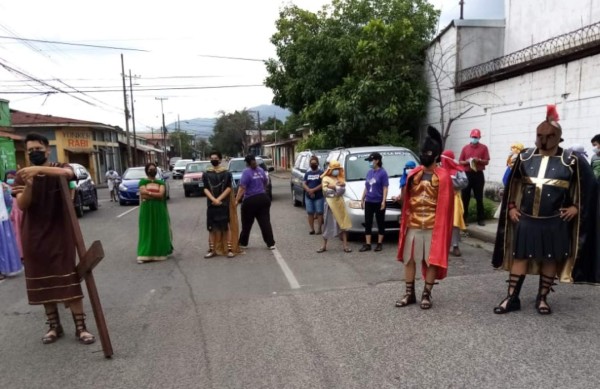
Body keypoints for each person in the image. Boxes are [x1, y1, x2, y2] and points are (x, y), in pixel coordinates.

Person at [492, 105, 598, 315]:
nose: (543, 140)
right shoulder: (524, 157)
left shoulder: (572, 160)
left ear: (558, 138)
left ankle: (543, 298)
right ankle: (512, 297)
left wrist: (577, 207)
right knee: (520, 257)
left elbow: (591, 187)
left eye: (548, 136)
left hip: (554, 221)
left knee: (550, 258)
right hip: (526, 219)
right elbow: (512, 184)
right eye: (540, 135)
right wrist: (511, 206)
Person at [12, 133, 95, 344]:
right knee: (42, 281)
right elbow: (22, 205)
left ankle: (81, 327)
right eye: (30, 151)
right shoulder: (22, 176)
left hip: (60, 232)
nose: (34, 154)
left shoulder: (58, 166)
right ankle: (54, 327)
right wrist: (30, 184)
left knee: (68, 278)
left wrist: (39, 169)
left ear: (47, 150)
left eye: (38, 150)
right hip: (34, 234)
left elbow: (67, 173)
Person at [395, 126, 454, 309]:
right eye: (422, 152)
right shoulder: (414, 175)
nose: (424, 155)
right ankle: (409, 293)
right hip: (413, 224)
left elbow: (447, 206)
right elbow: (406, 201)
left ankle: (426, 294)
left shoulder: (444, 177)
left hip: (432, 226)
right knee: (409, 259)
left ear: (436, 154)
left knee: (431, 260)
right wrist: (402, 192)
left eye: (428, 152)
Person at [203, 151, 241, 258]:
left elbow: (229, 188)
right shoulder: (206, 173)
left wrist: (218, 199)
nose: (213, 160)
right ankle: (212, 250)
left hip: (223, 204)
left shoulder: (226, 173)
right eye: (212, 158)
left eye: (215, 158)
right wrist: (213, 199)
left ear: (220, 159)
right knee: (211, 228)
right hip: (211, 204)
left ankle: (229, 250)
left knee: (225, 227)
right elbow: (205, 188)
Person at [235, 155, 276, 250]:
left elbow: (242, 188)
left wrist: (236, 200)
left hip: (250, 200)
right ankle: (270, 243)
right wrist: (261, 190)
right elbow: (266, 182)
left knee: (247, 223)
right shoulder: (261, 170)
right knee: (265, 222)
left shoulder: (246, 172)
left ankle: (243, 242)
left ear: (247, 163)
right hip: (263, 198)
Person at [137, 162, 173, 263]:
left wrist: (148, 193)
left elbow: (161, 195)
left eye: (154, 169)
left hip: (159, 209)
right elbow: (143, 195)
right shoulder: (142, 182)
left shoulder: (160, 182)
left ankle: (159, 253)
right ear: (147, 171)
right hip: (147, 210)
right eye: (150, 169)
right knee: (146, 230)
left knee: (160, 229)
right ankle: (144, 254)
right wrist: (154, 194)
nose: (152, 170)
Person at [317, 160, 352, 253]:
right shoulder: (325, 179)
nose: (336, 170)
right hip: (330, 206)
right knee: (327, 225)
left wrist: (334, 187)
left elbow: (342, 191)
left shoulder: (340, 178)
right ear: (330, 169)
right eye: (334, 169)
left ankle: (345, 246)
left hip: (339, 204)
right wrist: (337, 187)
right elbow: (326, 191)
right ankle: (324, 246)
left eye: (337, 169)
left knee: (343, 225)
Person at [459, 129, 490, 226]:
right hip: (467, 174)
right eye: (473, 137)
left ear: (479, 137)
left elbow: (487, 161)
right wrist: (468, 161)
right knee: (465, 197)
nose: (474, 138)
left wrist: (479, 160)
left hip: (478, 174)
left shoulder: (484, 148)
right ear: (470, 136)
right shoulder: (465, 148)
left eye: (476, 137)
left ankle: (480, 219)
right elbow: (460, 161)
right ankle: (463, 219)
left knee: (479, 198)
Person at [440, 150, 468, 257]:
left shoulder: (458, 170)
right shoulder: (439, 170)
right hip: (441, 199)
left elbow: (464, 182)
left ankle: (455, 245)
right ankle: (442, 246)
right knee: (441, 222)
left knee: (454, 222)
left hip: (454, 198)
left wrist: (450, 181)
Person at [360, 152, 389, 252]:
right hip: (369, 201)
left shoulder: (383, 173)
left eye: (371, 160)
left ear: (377, 161)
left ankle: (379, 243)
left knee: (380, 222)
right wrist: (362, 198)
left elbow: (385, 187)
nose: (370, 162)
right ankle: (368, 244)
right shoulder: (369, 172)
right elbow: (367, 186)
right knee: (368, 222)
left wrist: (383, 201)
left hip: (378, 201)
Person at [1, 174, 22, 280]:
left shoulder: (2, 186)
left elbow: (9, 202)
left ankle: (3, 269)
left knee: (3, 246)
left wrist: (6, 192)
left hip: (2, 219)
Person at [302, 155, 324, 235]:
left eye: (314, 163)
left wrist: (313, 190)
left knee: (319, 212)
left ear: (317, 163)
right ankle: (312, 229)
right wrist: (308, 190)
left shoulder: (321, 173)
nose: (313, 165)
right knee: (310, 212)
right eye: (311, 163)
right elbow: (304, 183)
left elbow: (323, 184)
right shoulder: (307, 173)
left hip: (319, 196)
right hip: (309, 196)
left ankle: (319, 229)